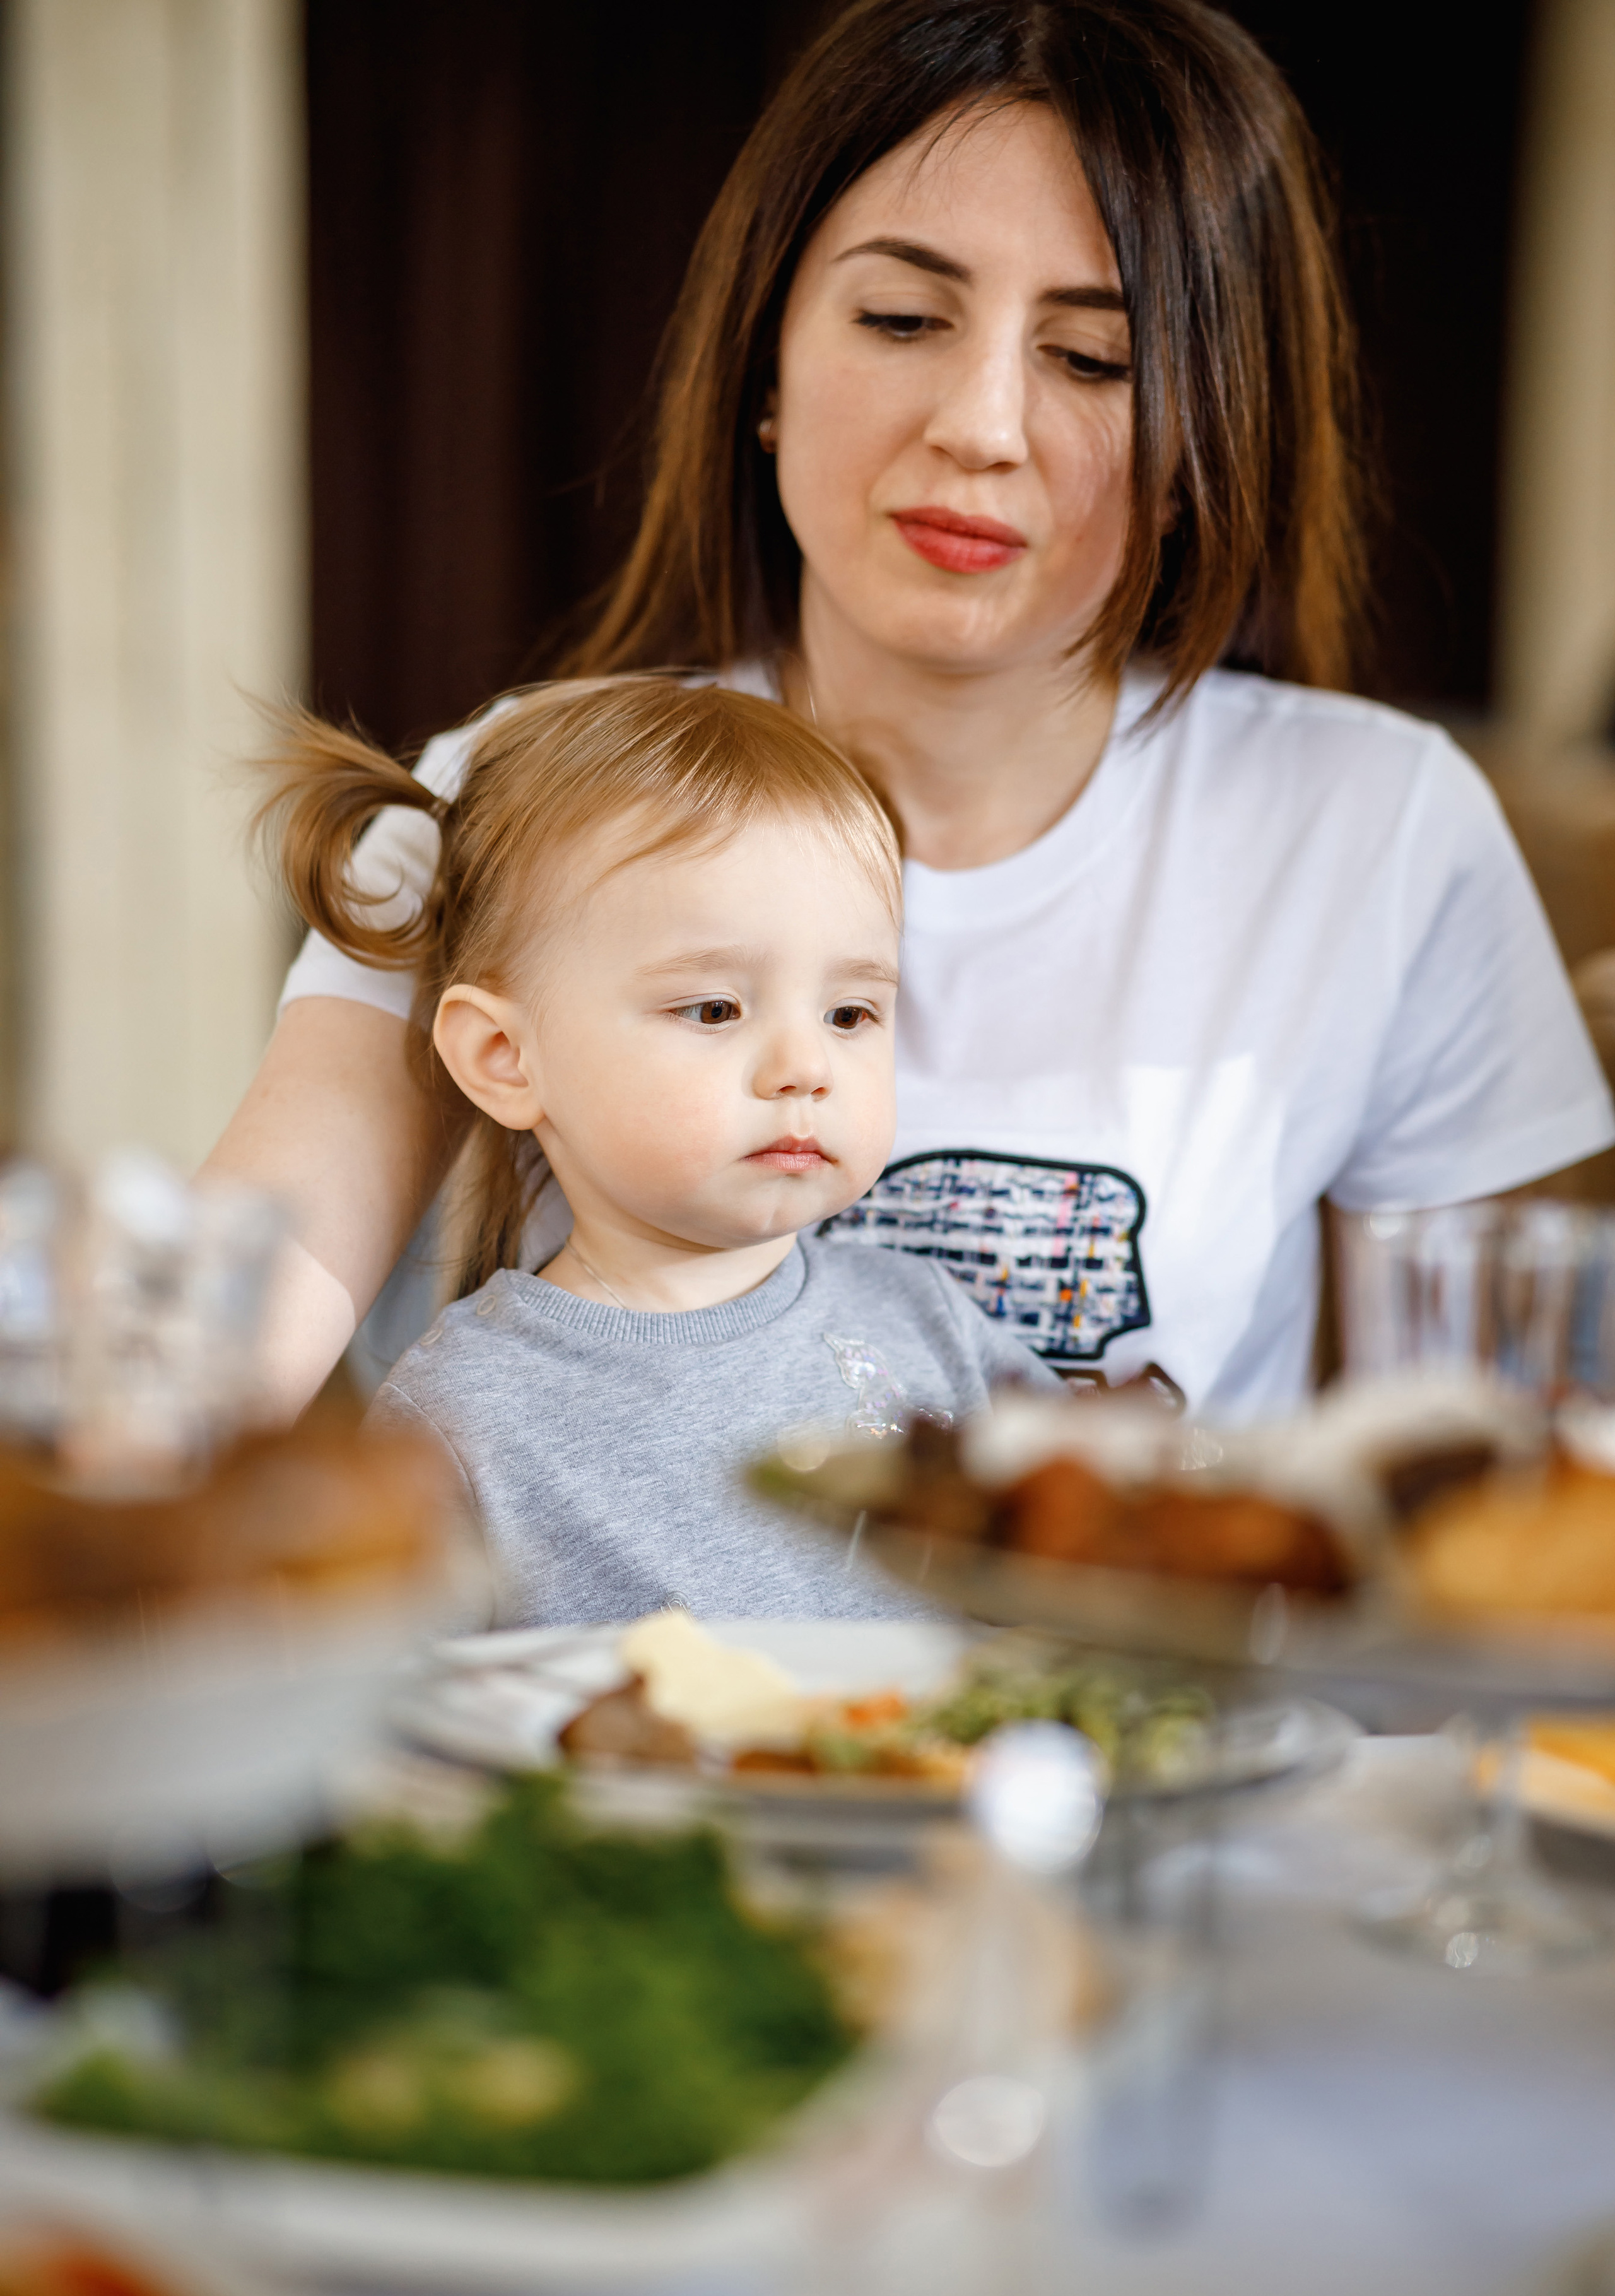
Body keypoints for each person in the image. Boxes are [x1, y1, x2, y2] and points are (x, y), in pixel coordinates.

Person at [211, 0, 1612, 1422]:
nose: (980, 426)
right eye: (899, 318)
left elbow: (1494, 1459)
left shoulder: (1378, 829)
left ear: (1204, 440)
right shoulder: (512, 791)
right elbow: (230, 1326)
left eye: (1094, 359)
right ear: (763, 364)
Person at [256, 676, 1059, 1624]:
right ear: (505, 1058)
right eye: (714, 1008)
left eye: (850, 1013)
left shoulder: (931, 1329)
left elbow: (1108, 1581)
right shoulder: (457, 1422)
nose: (806, 1067)